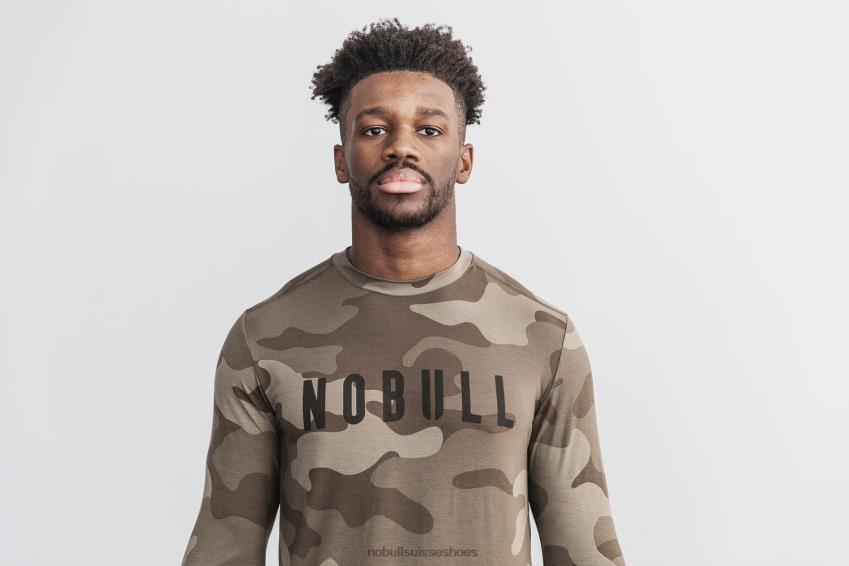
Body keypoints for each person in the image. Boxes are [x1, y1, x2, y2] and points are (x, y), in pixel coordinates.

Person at [181, 17, 626, 566]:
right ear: (341, 160)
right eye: (374, 130)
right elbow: (224, 547)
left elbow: (586, 551)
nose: (401, 148)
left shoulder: (543, 337)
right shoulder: (263, 337)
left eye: (429, 130)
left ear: (463, 160)